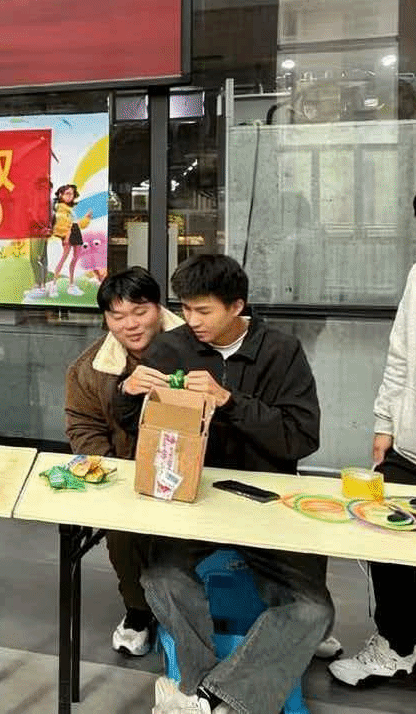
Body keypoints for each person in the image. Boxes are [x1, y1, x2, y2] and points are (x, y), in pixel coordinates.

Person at [117, 254, 332, 714]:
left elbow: (301, 437)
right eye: (185, 308)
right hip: (192, 497)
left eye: (204, 310)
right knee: (161, 578)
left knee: (313, 609)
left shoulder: (281, 352)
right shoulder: (171, 348)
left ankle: (210, 697)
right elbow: (141, 427)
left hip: (266, 501)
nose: (192, 321)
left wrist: (230, 402)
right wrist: (128, 394)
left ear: (237, 306)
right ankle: (205, 688)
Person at [329, 158, 416, 712]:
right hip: (411, 449)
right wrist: (385, 423)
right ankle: (397, 648)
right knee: (383, 547)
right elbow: (400, 356)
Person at [65, 266, 183, 657]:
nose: (129, 324)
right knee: (122, 534)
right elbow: (83, 426)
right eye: (117, 316)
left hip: (194, 472)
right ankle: (138, 610)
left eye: (139, 311)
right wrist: (115, 472)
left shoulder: (196, 348)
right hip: (127, 474)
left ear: (159, 308)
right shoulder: (91, 367)